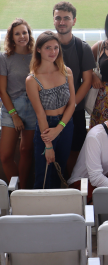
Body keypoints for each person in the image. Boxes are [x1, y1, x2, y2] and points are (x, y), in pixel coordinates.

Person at [26, 31, 76, 189]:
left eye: (56, 47)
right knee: (44, 175)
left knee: (60, 170)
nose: (53, 52)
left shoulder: (66, 71)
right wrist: (48, 145)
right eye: (48, 48)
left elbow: (72, 103)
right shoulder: (32, 79)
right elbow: (40, 114)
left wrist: (60, 128)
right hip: (45, 127)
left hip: (66, 124)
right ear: (39, 49)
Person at [53, 1, 96, 176]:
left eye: (66, 18)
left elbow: (87, 81)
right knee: (50, 150)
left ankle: (71, 184)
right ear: (53, 20)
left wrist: (71, 106)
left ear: (74, 21)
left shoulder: (82, 47)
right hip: (50, 111)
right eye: (58, 18)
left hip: (76, 110)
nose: (62, 22)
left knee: (75, 151)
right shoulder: (46, 45)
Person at [0, 19, 36, 188]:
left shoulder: (37, 55)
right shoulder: (5, 58)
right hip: (11, 108)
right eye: (17, 34)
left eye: (25, 32)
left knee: (26, 151)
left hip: (33, 107)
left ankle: (22, 192)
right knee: (6, 156)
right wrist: (14, 115)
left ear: (29, 34)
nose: (22, 36)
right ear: (11, 37)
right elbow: (2, 90)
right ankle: (16, 188)